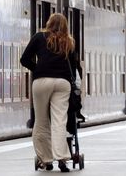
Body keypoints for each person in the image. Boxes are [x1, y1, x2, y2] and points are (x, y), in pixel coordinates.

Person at [20, 13, 75, 173]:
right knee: (59, 121)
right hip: (62, 83)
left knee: (41, 121)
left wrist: (37, 69)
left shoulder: (39, 37)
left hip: (41, 82)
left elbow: (24, 59)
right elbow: (73, 65)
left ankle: (46, 159)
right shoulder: (69, 41)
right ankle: (62, 159)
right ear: (65, 26)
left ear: (49, 23)